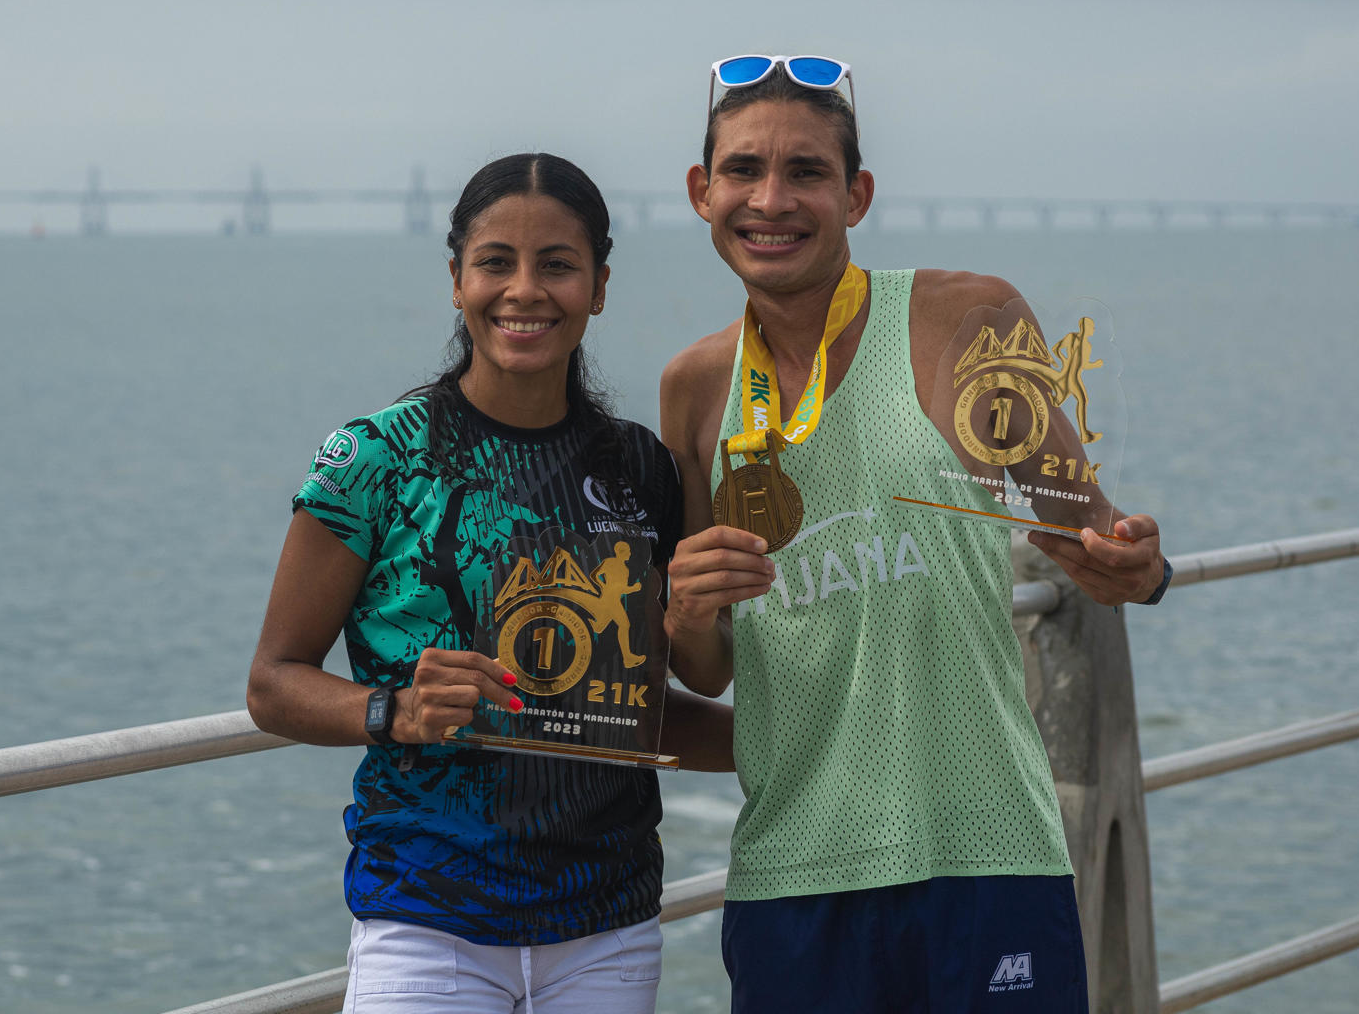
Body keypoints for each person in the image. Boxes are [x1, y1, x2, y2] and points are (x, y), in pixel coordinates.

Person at [659, 58, 1174, 1012]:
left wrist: (1136, 563)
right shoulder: (693, 387)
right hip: (792, 870)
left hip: (982, 848)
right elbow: (707, 664)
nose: (771, 199)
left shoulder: (963, 318)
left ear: (856, 195)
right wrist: (685, 607)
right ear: (702, 192)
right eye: (742, 171)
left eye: (806, 172)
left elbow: (1096, 537)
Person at [248, 152, 732, 1014]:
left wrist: (810, 744)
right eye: (495, 262)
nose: (524, 291)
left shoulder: (640, 469)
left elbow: (639, 710)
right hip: (427, 920)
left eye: (557, 265)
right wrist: (391, 711)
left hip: (607, 928)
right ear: (455, 278)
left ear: (600, 285)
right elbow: (273, 684)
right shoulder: (376, 460)